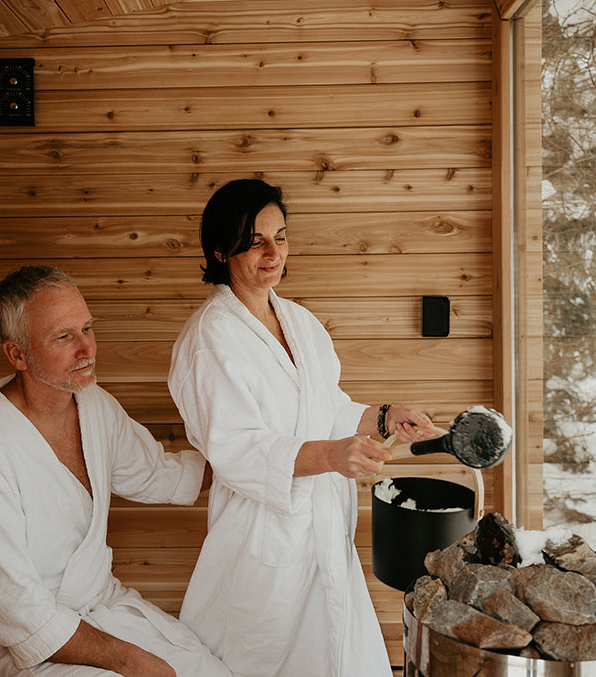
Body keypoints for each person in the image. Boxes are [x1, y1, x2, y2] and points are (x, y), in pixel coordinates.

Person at [167, 179, 436, 676]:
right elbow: (236, 451)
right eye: (255, 242)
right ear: (221, 250)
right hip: (260, 540)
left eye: (281, 237)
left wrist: (382, 416)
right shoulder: (210, 341)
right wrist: (332, 456)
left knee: (337, 655)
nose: (273, 253)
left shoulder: (300, 322)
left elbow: (325, 407)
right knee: (257, 660)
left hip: (325, 530)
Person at [0, 265, 231, 677]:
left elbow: (157, 473)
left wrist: (253, 462)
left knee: (211, 672)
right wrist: (134, 661)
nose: (87, 348)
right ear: (17, 354)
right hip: (18, 643)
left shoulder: (93, 404)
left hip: (101, 606)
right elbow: (18, 613)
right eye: (64, 336)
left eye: (87, 328)